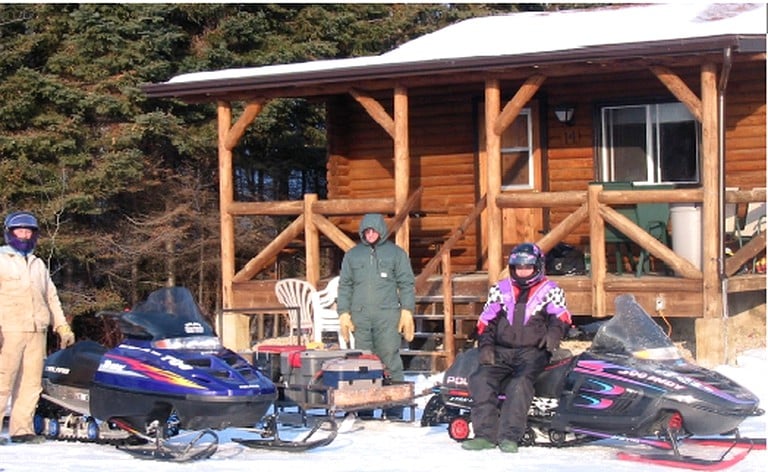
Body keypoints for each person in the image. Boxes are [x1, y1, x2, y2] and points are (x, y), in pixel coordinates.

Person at [462, 242, 572, 453]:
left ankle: (510, 436)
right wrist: (485, 346)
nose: (523, 271)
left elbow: (561, 318)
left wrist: (552, 336)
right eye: (518, 267)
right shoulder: (500, 289)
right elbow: (486, 321)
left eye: (527, 267)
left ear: (538, 266)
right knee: (481, 379)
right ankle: (485, 435)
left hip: (533, 352)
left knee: (519, 384)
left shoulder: (551, 290)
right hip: (501, 350)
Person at [0, 211, 75, 445]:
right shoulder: (2, 260)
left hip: (37, 331)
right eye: (20, 231)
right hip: (8, 330)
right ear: (10, 233)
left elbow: (51, 297)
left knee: (31, 383)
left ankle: (22, 429)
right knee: (3, 380)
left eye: (29, 231)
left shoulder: (38, 264)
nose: (24, 235)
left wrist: (62, 326)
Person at [336, 213, 415, 419]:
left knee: (389, 358)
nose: (370, 234)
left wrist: (407, 310)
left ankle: (394, 407)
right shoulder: (353, 255)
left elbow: (406, 283)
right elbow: (345, 286)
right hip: (360, 317)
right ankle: (364, 408)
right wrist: (343, 312)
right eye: (366, 231)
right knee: (363, 363)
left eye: (374, 231)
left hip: (387, 315)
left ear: (381, 231)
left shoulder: (396, 254)